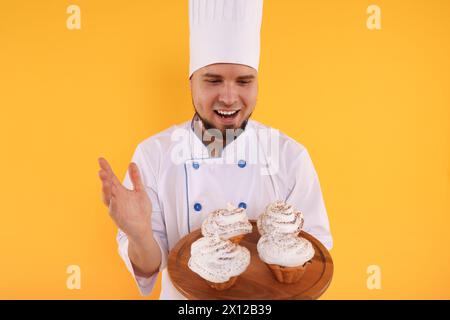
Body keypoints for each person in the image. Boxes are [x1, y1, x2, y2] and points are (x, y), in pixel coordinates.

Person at [97, 0, 332, 299]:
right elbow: (149, 266)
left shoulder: (289, 156)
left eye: (244, 81)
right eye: (213, 80)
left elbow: (312, 259)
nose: (230, 97)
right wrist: (139, 232)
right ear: (191, 82)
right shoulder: (153, 155)